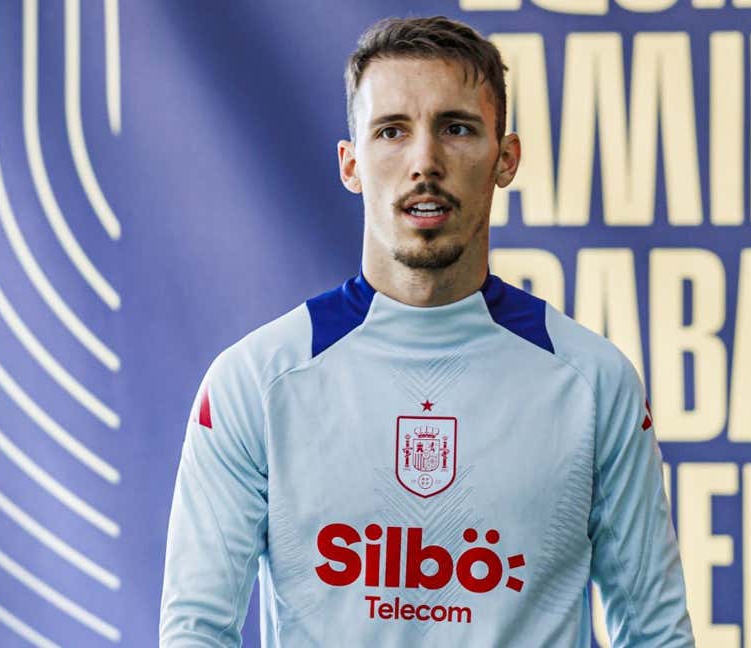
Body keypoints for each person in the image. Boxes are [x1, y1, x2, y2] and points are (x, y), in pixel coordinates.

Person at [159, 15, 693, 647]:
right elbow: (196, 632)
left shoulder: (594, 382)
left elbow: (657, 635)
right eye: (392, 131)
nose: (425, 162)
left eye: (457, 128)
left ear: (506, 157)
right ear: (351, 163)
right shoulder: (256, 381)